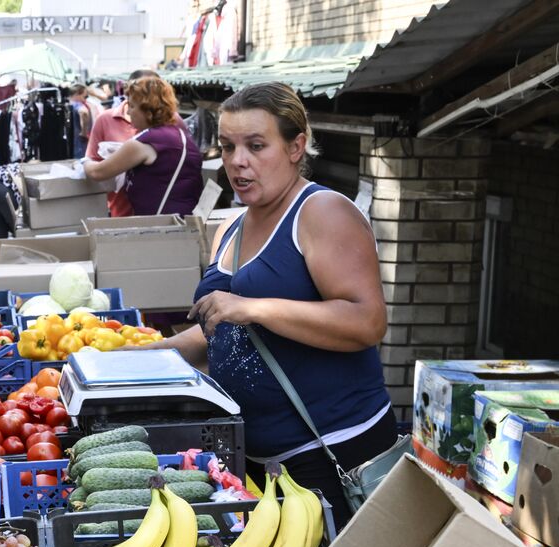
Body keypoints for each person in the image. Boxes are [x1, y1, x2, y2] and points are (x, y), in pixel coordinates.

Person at [138, 83, 393, 521]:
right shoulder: (231, 230)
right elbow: (220, 330)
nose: (238, 162)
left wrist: (254, 307)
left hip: (335, 453)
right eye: (228, 146)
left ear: (296, 147)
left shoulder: (322, 213)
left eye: (257, 146)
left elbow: (367, 322)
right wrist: (128, 360)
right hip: (257, 461)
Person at [83, 75, 203, 217]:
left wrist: (85, 162)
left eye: (132, 106)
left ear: (148, 109)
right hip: (182, 221)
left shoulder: (145, 142)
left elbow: (97, 172)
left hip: (162, 226)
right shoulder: (176, 134)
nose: (128, 112)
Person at [85, 69, 159, 217]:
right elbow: (93, 163)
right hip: (119, 212)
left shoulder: (168, 123)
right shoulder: (105, 120)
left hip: (157, 214)